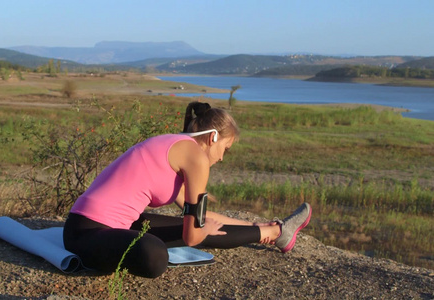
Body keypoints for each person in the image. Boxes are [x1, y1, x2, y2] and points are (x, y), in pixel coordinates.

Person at [63, 101, 311, 278]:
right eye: (226, 148)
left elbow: (202, 218)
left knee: (198, 225)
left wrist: (256, 227)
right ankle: (274, 231)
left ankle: (277, 231)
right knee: (155, 256)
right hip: (88, 232)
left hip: (115, 226)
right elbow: (194, 235)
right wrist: (203, 229)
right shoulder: (196, 157)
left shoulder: (173, 145)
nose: (223, 158)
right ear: (213, 137)